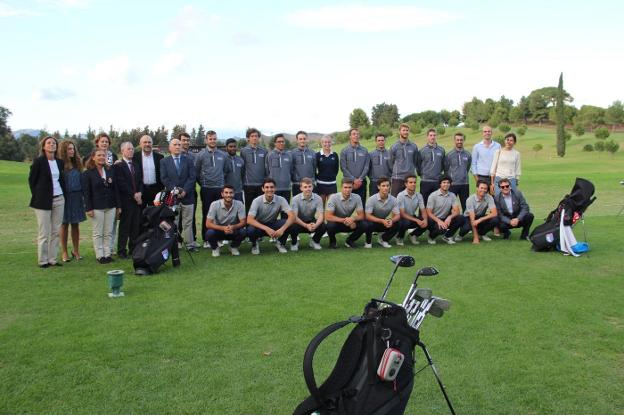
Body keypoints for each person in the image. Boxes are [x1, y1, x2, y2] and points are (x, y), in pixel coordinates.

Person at [29, 136, 66, 268]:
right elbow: (32, 181)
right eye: (49, 143)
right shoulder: (39, 162)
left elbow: (61, 180)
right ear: (44, 146)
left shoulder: (60, 162)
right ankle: (43, 260)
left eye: (54, 143)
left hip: (59, 199)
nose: (52, 145)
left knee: (56, 231)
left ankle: (52, 259)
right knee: (44, 232)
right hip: (42, 201)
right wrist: (39, 194)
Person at [82, 148, 120, 263]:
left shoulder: (109, 170)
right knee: (98, 232)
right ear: (93, 157)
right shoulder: (87, 173)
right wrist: (88, 208)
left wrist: (118, 206)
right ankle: (100, 255)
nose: (101, 157)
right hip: (96, 206)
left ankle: (107, 254)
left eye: (103, 155)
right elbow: (86, 192)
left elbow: (115, 189)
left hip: (110, 205)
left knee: (108, 232)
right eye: (99, 155)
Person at [161, 138, 198, 252]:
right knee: (173, 222)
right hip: (172, 197)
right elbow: (164, 178)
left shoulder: (188, 160)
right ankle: (174, 244)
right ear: (170, 147)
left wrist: (184, 191)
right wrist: (176, 190)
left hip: (188, 196)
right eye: (175, 145)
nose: (177, 146)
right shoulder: (164, 162)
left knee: (188, 222)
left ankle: (190, 244)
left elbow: (192, 177)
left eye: (179, 144)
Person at [196, 130, 229, 249]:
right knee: (207, 214)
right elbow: (197, 172)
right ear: (206, 140)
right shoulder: (200, 155)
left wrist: (220, 182)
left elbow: (225, 171)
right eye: (210, 139)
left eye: (214, 139)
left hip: (219, 188)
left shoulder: (223, 155)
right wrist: (203, 183)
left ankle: (219, 237)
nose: (213, 141)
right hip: (206, 189)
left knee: (220, 214)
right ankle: (206, 238)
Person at [246, 178, 295, 255]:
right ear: (263, 189)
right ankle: (254, 244)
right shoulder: (257, 201)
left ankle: (280, 243)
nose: (269, 189)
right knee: (250, 230)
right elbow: (249, 220)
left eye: (272, 187)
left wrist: (282, 229)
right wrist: (266, 228)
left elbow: (292, 216)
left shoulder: (281, 199)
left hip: (273, 224)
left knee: (289, 223)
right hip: (260, 226)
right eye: (267, 187)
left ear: (275, 188)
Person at [113, 142, 143, 259]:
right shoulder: (118, 166)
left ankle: (133, 249)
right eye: (128, 149)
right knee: (125, 226)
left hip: (137, 200)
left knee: (135, 226)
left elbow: (140, 181)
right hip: (126, 200)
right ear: (122, 151)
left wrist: (140, 193)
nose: (131, 151)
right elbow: (121, 183)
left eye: (132, 149)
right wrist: (134, 194)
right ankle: (121, 250)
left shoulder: (136, 164)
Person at [58, 140, 86, 262]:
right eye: (69, 149)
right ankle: (64, 252)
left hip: (77, 197)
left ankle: (76, 250)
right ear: (64, 151)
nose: (72, 151)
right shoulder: (60, 164)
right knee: (64, 224)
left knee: (75, 224)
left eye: (73, 149)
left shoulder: (78, 163)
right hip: (65, 197)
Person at [205, 185, 247, 257]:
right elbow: (208, 224)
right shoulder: (214, 204)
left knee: (243, 232)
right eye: (226, 192)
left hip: (233, 230)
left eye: (231, 193)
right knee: (209, 233)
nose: (228, 195)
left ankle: (233, 247)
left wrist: (233, 227)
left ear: (234, 194)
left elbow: (243, 222)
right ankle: (215, 248)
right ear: (222, 194)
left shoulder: (239, 204)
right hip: (219, 230)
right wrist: (223, 228)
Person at [325, 179, 365, 249]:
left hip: (349, 222)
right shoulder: (333, 197)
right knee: (330, 225)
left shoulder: (357, 197)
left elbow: (361, 215)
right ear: (341, 188)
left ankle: (350, 241)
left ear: (352, 188)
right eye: (345, 187)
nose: (347, 190)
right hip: (337, 223)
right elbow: (328, 216)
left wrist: (353, 219)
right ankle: (332, 242)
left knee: (365, 224)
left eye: (350, 187)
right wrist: (345, 220)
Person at [423, 176, 465, 245]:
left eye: (448, 183)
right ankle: (431, 237)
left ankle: (447, 236)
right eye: (444, 182)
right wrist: (439, 221)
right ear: (440, 184)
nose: (446, 184)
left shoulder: (452, 195)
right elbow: (429, 212)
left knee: (461, 218)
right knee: (441, 229)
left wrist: (449, 217)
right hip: (434, 219)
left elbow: (457, 211)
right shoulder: (433, 195)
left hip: (445, 218)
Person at [288, 178, 325, 251]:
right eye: (305, 187)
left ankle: (315, 241)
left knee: (323, 225)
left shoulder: (318, 198)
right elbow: (294, 217)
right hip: (299, 222)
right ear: (301, 188)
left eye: (309, 186)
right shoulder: (295, 199)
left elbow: (321, 216)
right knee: (292, 225)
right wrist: (306, 225)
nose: (308, 189)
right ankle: (294, 243)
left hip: (311, 220)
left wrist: (316, 225)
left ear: (312, 187)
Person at [363, 177, 400, 248]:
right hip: (373, 222)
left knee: (398, 223)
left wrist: (391, 220)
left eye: (387, 186)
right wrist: (382, 221)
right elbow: (368, 216)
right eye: (383, 186)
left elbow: (397, 215)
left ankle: (383, 239)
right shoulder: (371, 199)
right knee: (366, 223)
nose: (386, 188)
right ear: (378, 187)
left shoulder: (394, 200)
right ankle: (368, 242)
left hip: (384, 222)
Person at [240, 127, 267, 214]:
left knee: (261, 209)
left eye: (256, 136)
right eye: (252, 136)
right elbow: (242, 168)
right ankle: (249, 227)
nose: (254, 138)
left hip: (261, 185)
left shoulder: (264, 151)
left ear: (259, 138)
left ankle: (261, 227)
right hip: (248, 185)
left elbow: (266, 167)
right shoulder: (243, 151)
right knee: (250, 209)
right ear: (248, 138)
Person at [396, 175, 428, 245]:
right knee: (405, 223)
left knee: (428, 221)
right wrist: (417, 220)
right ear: (406, 184)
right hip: (401, 218)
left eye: (414, 182)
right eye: (410, 182)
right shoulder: (400, 195)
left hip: (412, 217)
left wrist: (425, 220)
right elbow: (402, 214)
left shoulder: (419, 195)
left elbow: (423, 210)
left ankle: (413, 235)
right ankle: (399, 237)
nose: (413, 184)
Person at [340, 128, 370, 202]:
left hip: (361, 182)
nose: (356, 136)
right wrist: (354, 180)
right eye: (354, 134)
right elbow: (343, 168)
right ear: (350, 136)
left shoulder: (365, 150)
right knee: (346, 206)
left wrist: (359, 179)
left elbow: (366, 166)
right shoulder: (344, 151)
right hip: (348, 183)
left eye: (357, 134)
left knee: (362, 205)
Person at [133, 134, 163, 208]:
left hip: (156, 191)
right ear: (140, 144)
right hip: (140, 191)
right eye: (145, 142)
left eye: (149, 142)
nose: (147, 144)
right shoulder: (134, 157)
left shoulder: (159, 157)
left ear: (152, 144)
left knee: (155, 215)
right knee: (140, 216)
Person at [444, 132, 472, 211]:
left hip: (464, 183)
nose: (459, 141)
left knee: (466, 206)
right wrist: (450, 181)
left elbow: (467, 167)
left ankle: (466, 222)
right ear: (454, 141)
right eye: (457, 140)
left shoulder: (468, 154)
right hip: (453, 184)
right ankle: (449, 222)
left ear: (463, 141)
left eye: (461, 140)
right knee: (449, 207)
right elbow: (446, 169)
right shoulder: (449, 155)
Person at [179, 132, 198, 247]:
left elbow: (195, 174)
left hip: (191, 191)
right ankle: (178, 240)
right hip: (177, 192)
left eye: (187, 140)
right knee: (178, 217)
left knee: (191, 217)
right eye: (183, 140)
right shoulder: (175, 155)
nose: (186, 142)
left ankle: (192, 240)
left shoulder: (193, 156)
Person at [417, 128, 445, 204]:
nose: (432, 137)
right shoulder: (422, 151)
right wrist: (422, 174)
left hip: (437, 181)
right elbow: (418, 165)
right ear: (427, 137)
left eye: (434, 135)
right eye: (431, 135)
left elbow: (443, 165)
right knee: (423, 203)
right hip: (425, 181)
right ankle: (422, 216)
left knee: (437, 203)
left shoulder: (441, 150)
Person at [390, 123, 419, 196]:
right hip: (397, 178)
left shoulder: (414, 146)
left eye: (407, 130)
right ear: (400, 131)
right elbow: (390, 162)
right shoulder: (394, 146)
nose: (405, 132)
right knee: (395, 201)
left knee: (409, 200)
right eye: (403, 130)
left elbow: (415, 161)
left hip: (410, 178)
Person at [471, 125, 501, 194]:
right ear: (482, 133)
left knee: (495, 198)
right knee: (482, 199)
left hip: (494, 177)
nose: (487, 133)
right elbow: (473, 164)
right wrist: (477, 181)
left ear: (491, 133)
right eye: (485, 131)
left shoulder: (497, 146)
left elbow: (499, 162)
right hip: (481, 177)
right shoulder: (477, 147)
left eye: (489, 131)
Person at [266, 134, 293, 202]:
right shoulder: (270, 155)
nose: (281, 143)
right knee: (273, 211)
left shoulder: (289, 155)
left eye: (283, 141)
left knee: (285, 211)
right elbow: (267, 171)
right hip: (273, 188)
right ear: (275, 143)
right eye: (279, 141)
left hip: (286, 188)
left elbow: (291, 170)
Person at [291, 131, 317, 197]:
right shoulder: (292, 153)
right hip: (297, 185)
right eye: (300, 139)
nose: (302, 140)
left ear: (307, 140)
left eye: (304, 139)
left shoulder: (312, 152)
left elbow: (314, 168)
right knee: (298, 206)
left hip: (310, 185)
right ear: (297, 140)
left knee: (311, 205)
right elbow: (291, 169)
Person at [315, 134, 339, 205]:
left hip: (332, 185)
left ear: (331, 143)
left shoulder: (335, 155)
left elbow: (336, 169)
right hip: (321, 185)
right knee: (321, 207)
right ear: (321, 143)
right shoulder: (317, 155)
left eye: (329, 142)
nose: (327, 144)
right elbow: (314, 170)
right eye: (325, 142)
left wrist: (331, 177)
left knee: (331, 207)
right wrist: (319, 178)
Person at [224, 138, 245, 202]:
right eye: (230, 146)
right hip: (226, 192)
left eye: (234, 146)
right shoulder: (223, 159)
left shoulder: (240, 160)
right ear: (226, 147)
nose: (233, 148)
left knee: (239, 210)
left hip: (238, 191)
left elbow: (242, 175)